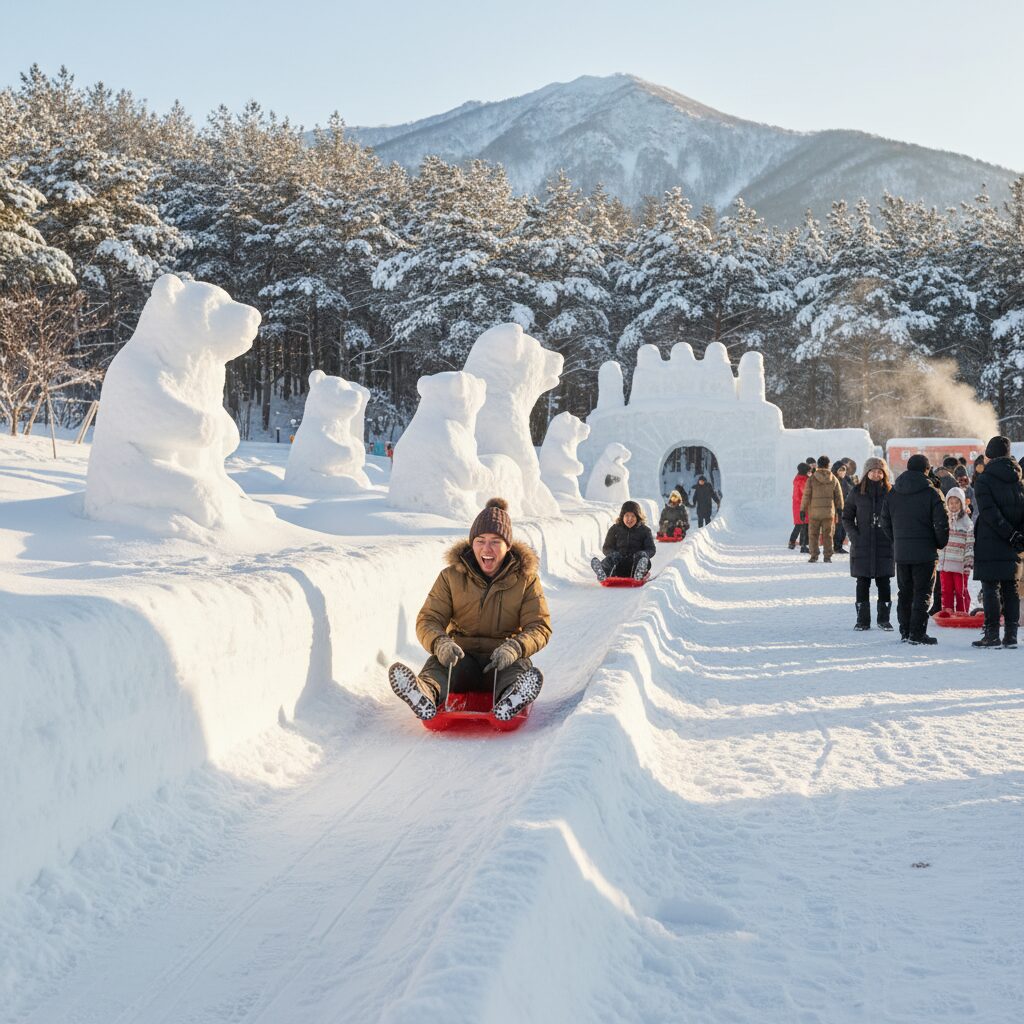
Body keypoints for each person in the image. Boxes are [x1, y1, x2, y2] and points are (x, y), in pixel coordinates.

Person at [388, 497, 551, 721]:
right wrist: (440, 643)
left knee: (516, 669)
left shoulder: (526, 580)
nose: (487, 548)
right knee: (439, 666)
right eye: (480, 540)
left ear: (508, 546)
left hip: (503, 659)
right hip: (462, 658)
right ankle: (424, 693)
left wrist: (515, 647)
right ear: (472, 543)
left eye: (495, 541)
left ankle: (512, 697)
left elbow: (539, 626)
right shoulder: (451, 577)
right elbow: (428, 619)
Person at [880, 454, 949, 644]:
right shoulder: (932, 492)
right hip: (925, 552)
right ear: (927, 469)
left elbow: (884, 521)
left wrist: (897, 540)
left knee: (905, 592)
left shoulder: (894, 492)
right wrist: (938, 543)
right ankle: (917, 633)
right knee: (922, 592)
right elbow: (942, 523)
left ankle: (905, 631)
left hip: (902, 552)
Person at [970, 436, 1024, 649]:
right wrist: (1017, 535)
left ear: (989, 455)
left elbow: (989, 512)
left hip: (990, 541)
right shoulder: (1019, 479)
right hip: (1014, 542)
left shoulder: (984, 479)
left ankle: (992, 634)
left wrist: (1008, 533)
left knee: (991, 587)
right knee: (1011, 588)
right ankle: (1011, 636)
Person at [842, 456, 895, 630]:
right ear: (867, 473)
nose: (876, 474)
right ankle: (862, 621)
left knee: (884, 582)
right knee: (862, 582)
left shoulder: (890, 492)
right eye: (873, 471)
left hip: (884, 544)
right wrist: (855, 536)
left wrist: (892, 536)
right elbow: (847, 517)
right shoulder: (856, 492)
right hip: (862, 544)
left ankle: (884, 620)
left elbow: (897, 516)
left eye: (880, 471)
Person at [592, 500, 657, 581]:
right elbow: (606, 548)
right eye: (627, 515)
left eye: (633, 516)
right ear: (622, 516)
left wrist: (644, 554)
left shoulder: (645, 531)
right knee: (613, 556)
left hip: (635, 564)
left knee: (642, 556)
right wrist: (613, 554)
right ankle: (603, 571)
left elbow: (651, 549)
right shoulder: (614, 529)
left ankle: (639, 573)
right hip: (618, 565)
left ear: (638, 517)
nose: (630, 519)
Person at [801, 455, 844, 563]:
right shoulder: (833, 478)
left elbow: (806, 496)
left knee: (813, 534)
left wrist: (802, 510)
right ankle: (827, 556)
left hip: (814, 512)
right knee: (828, 535)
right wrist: (840, 509)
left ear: (818, 465)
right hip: (829, 512)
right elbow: (839, 496)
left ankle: (814, 555)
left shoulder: (811, 479)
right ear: (828, 465)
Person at [938, 486, 974, 614]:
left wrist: (968, 561)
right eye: (951, 503)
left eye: (956, 503)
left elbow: (970, 543)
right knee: (946, 589)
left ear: (962, 503)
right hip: (946, 563)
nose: (953, 505)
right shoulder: (944, 520)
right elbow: (941, 540)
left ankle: (961, 611)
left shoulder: (967, 522)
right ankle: (947, 610)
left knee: (961, 590)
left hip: (960, 564)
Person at [832, 461, 854, 554]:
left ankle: (839, 546)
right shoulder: (833, 480)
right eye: (840, 470)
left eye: (844, 470)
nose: (842, 472)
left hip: (847, 507)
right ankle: (837, 547)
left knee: (844, 528)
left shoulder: (847, 479)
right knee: (838, 528)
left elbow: (853, 489)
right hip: (837, 508)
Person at [789, 463, 810, 551]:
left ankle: (794, 542)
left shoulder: (798, 478)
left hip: (798, 505)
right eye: (808, 471)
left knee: (800, 525)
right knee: (801, 525)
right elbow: (806, 492)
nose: (809, 472)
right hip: (801, 505)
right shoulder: (803, 480)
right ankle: (798, 543)